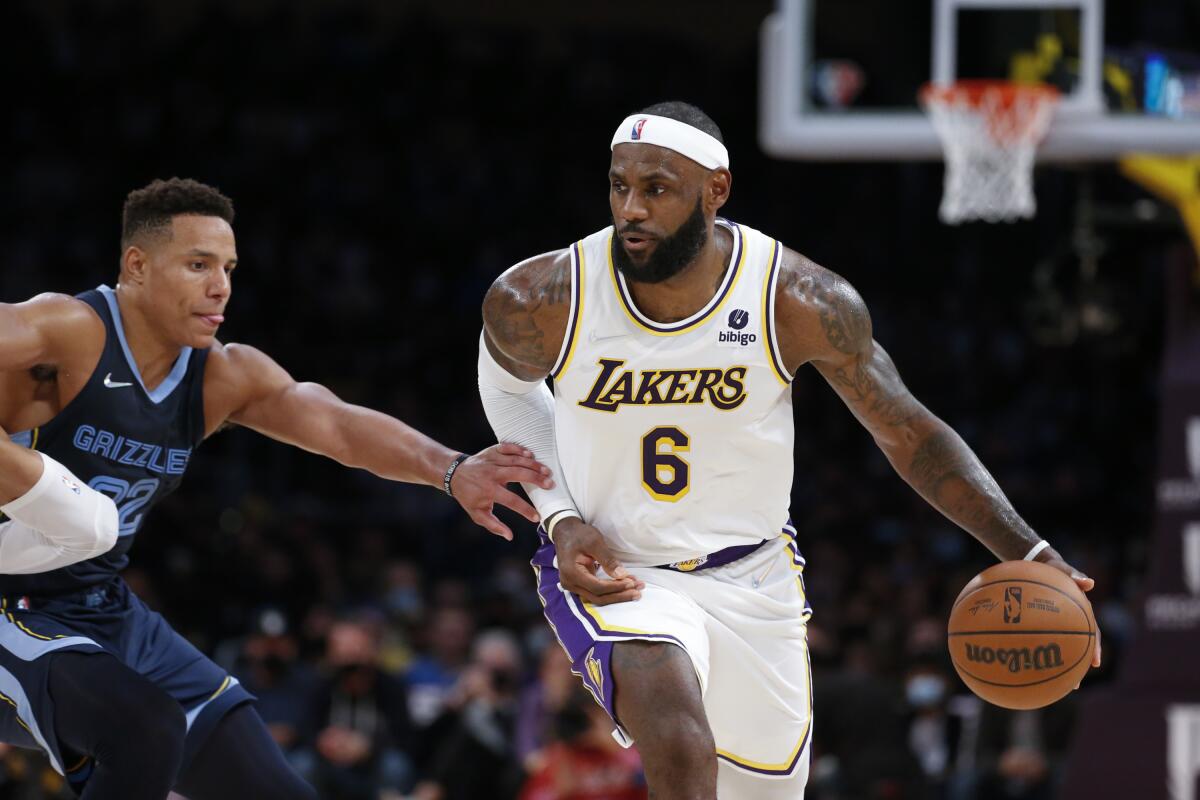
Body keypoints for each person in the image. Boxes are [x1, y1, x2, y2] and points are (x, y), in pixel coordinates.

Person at [477, 101, 1102, 799]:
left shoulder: (796, 299)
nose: (632, 209)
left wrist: (1031, 551)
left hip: (755, 578)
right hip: (618, 570)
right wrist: (560, 518)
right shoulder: (543, 295)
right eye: (620, 185)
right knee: (679, 739)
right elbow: (507, 391)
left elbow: (906, 430)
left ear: (716, 191)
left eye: (657, 188)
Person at [0, 177, 553, 800]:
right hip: (8, 604)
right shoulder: (70, 330)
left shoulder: (221, 376)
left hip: (97, 604)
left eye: (229, 268)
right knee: (144, 727)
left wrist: (450, 469)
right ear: (137, 266)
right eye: (198, 264)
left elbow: (337, 425)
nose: (221, 286)